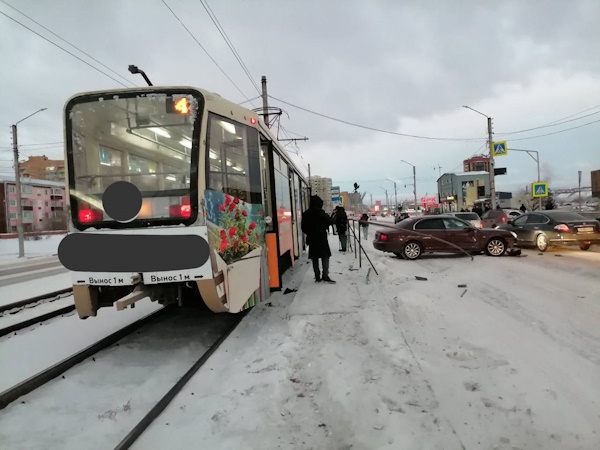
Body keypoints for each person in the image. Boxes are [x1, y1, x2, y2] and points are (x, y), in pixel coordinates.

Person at [301, 195, 335, 283]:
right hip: (322, 238)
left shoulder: (306, 213)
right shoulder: (321, 212)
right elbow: (330, 222)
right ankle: (325, 275)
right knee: (325, 256)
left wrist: (309, 232)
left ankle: (317, 276)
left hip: (312, 239)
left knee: (314, 258)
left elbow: (303, 228)